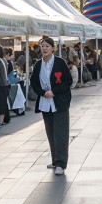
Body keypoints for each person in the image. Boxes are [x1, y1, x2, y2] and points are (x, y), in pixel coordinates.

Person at [29, 36, 73, 176]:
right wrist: (43, 92)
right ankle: (55, 160)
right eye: (43, 46)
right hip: (45, 103)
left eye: (47, 46)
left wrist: (54, 91)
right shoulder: (38, 64)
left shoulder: (60, 63)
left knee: (61, 133)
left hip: (59, 102)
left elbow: (68, 81)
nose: (45, 48)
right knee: (50, 133)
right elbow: (34, 82)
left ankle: (61, 163)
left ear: (53, 48)